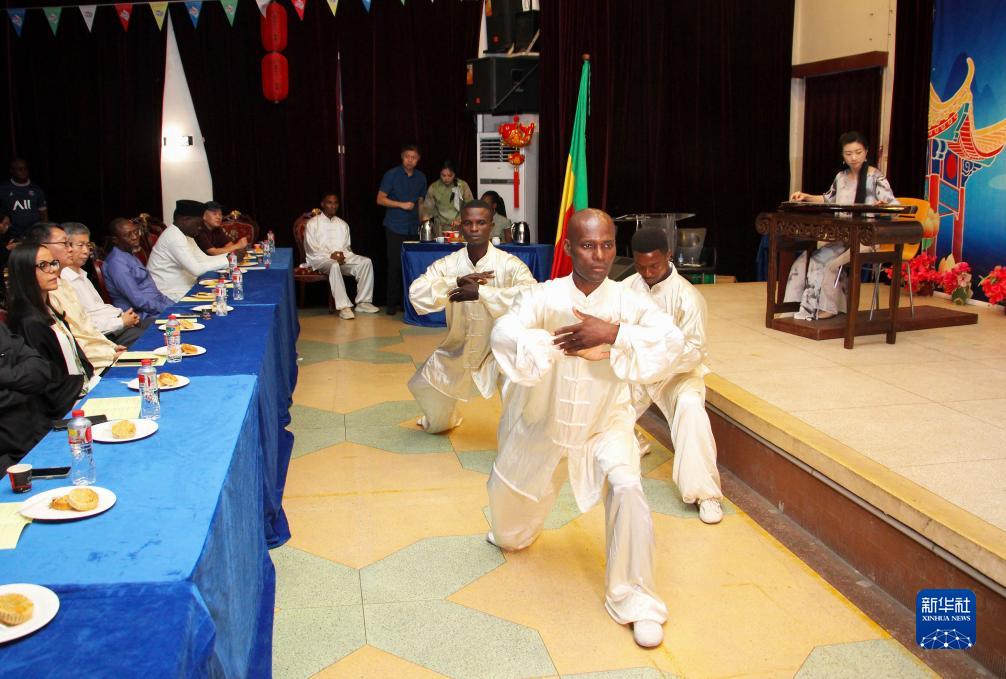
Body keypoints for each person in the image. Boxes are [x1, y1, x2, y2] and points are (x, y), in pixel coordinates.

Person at [487, 208, 687, 649]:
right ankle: (508, 527)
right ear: (569, 248)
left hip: (605, 424)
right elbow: (503, 332)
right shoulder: (544, 296)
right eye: (588, 246)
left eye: (607, 245)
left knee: (628, 485)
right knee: (510, 536)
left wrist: (613, 334)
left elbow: (671, 341)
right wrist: (567, 345)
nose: (600, 256)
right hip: (545, 424)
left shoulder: (628, 301)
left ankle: (635, 598)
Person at [623, 227, 723, 524]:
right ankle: (632, 439)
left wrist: (657, 361)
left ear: (668, 256)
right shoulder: (625, 288)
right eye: (641, 267)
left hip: (677, 375)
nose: (647, 273)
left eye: (653, 266)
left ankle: (705, 494)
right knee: (599, 393)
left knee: (691, 409)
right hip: (638, 370)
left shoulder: (688, 297)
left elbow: (694, 351)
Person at [408, 200, 535, 433]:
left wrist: (482, 293)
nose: (474, 228)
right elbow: (416, 292)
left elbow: (531, 296)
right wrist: (455, 282)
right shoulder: (450, 264)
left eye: (481, 222)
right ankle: (444, 419)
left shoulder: (509, 264)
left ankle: (521, 432)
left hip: (500, 350)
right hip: (459, 347)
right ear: (460, 227)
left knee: (522, 390)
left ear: (491, 226)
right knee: (423, 387)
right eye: (468, 223)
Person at [785, 131, 898, 320]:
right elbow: (828, 198)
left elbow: (894, 206)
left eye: (858, 152)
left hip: (866, 239)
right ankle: (806, 308)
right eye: (848, 153)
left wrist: (882, 207)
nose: (854, 157)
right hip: (843, 237)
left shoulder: (876, 177)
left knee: (830, 265)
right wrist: (806, 196)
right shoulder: (841, 177)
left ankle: (828, 308)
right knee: (813, 259)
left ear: (866, 152)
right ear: (842, 156)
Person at [3, 243, 92, 469]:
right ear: (24, 272)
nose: (53, 269)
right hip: (61, 407)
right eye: (43, 265)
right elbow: (46, 383)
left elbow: (45, 366)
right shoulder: (28, 321)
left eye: (53, 263)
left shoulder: (47, 307)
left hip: (77, 390)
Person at [24, 223, 123, 370]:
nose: (70, 249)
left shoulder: (63, 283)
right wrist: (109, 354)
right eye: (64, 244)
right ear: (42, 247)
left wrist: (111, 347)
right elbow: (73, 341)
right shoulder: (47, 292)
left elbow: (86, 328)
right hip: (91, 366)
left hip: (102, 353)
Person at [61, 222, 147, 346]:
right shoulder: (64, 281)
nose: (86, 251)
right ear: (66, 247)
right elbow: (84, 325)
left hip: (117, 324)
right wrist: (120, 322)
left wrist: (122, 315)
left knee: (160, 326)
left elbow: (99, 308)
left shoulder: (81, 274)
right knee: (153, 338)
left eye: (87, 245)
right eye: (80, 245)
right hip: (105, 336)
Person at [304, 193, 379, 319]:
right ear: (322, 204)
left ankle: (363, 302)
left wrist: (342, 256)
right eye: (329, 203)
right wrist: (330, 256)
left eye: (335, 203)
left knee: (366, 262)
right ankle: (344, 307)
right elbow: (311, 248)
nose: (333, 206)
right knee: (334, 265)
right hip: (319, 259)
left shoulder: (343, 224)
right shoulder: (312, 223)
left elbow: (346, 248)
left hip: (341, 258)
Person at [377, 144, 427, 315]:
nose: (410, 160)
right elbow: (380, 199)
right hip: (395, 226)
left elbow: (421, 202)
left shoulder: (421, 177)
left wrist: (422, 222)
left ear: (418, 159)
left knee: (411, 266)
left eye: (414, 157)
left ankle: (407, 303)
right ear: (402, 157)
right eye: (407, 157)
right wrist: (401, 204)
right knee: (395, 265)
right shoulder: (391, 174)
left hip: (413, 227)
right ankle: (391, 304)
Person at [147, 199, 230, 301]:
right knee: (222, 298)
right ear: (185, 220)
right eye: (198, 224)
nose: (200, 228)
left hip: (185, 288)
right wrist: (228, 260)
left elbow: (203, 259)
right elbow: (197, 270)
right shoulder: (174, 237)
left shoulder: (186, 235)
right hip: (169, 294)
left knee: (224, 294)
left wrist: (230, 255)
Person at [102, 217, 175, 320]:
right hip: (141, 316)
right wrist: (168, 309)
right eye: (128, 235)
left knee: (191, 311)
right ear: (115, 240)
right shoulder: (116, 263)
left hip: (155, 307)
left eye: (136, 232)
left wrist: (175, 306)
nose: (135, 237)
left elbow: (154, 292)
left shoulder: (128, 253)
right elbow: (138, 301)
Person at [1, 158, 49, 243]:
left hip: (34, 235)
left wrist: (46, 232)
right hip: (13, 236)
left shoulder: (36, 190)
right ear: (12, 171)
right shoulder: (4, 189)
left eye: (25, 169)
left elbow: (43, 214)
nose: (24, 172)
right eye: (20, 169)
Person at [424, 160, 474, 235]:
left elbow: (471, 207)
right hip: (440, 228)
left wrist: (461, 220)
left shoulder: (463, 185)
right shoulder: (433, 187)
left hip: (460, 227)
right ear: (439, 174)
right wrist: (425, 223)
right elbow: (427, 211)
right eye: (443, 175)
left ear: (455, 174)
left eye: (450, 175)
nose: (446, 178)